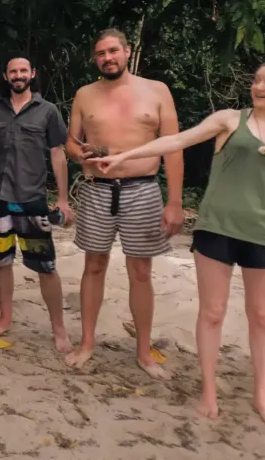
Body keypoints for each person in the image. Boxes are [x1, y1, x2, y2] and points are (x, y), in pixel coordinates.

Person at [88, 58, 265, 426]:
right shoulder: (229, 120)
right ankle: (208, 391)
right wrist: (125, 156)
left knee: (263, 317)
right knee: (212, 313)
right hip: (217, 230)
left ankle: (262, 396)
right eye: (257, 80)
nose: (259, 88)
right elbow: (177, 139)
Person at [63, 29, 184, 380]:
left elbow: (173, 146)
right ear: (94, 59)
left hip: (143, 189)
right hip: (97, 189)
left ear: (127, 51)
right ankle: (87, 343)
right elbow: (72, 143)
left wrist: (175, 201)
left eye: (113, 50)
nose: (107, 58)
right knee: (94, 266)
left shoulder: (157, 90)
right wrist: (81, 155)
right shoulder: (85, 94)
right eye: (100, 53)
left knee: (141, 272)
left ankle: (144, 351)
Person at [0, 57, 74, 354]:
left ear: (32, 74)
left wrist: (62, 198)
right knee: (1, 262)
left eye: (23, 71)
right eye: (12, 72)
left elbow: (58, 153)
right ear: (5, 76)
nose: (18, 76)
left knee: (45, 266)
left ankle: (59, 329)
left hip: (32, 199)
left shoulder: (48, 111)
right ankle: (5, 318)